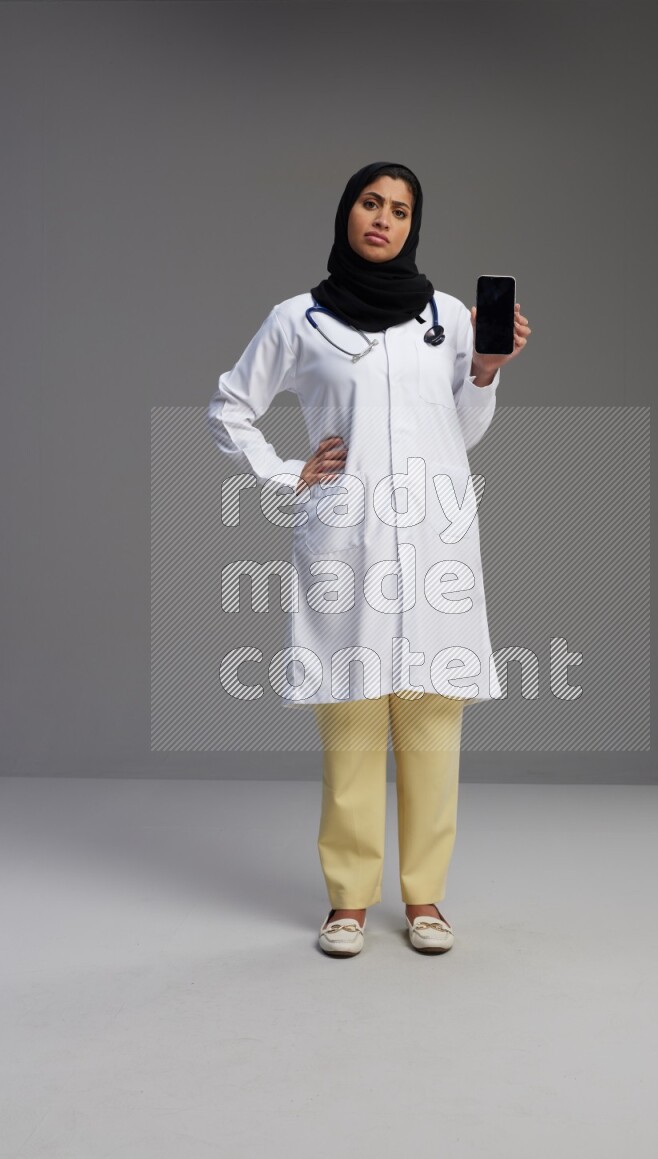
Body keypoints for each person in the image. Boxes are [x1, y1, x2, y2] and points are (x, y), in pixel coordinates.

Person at [208, 161, 530, 957]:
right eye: (370, 203)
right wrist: (289, 472)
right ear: (347, 213)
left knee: (430, 724)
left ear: (414, 225)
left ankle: (425, 898)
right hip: (347, 538)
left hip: (433, 539)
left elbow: (465, 429)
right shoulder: (300, 319)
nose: (382, 219)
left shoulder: (449, 316)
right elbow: (230, 407)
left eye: (399, 208)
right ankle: (348, 900)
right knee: (350, 722)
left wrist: (485, 369)